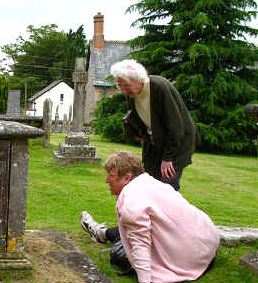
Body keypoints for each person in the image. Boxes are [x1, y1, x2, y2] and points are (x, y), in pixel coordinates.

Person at [81, 59, 200, 244]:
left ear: (139, 80)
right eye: (120, 86)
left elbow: (176, 127)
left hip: (176, 146)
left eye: (125, 86)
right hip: (154, 145)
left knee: (167, 189)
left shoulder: (159, 87)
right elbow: (140, 118)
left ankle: (173, 237)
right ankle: (134, 233)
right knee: (144, 186)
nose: (123, 91)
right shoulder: (132, 93)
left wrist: (168, 158)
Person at [94, 151, 219, 283]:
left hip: (189, 259)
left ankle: (102, 233)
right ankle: (102, 232)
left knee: (120, 256)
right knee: (129, 234)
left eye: (111, 175)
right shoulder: (152, 182)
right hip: (208, 243)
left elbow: (140, 242)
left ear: (127, 178)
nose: (107, 180)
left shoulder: (131, 199)